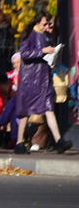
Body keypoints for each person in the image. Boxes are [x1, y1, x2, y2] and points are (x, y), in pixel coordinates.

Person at [17, 13, 72, 154]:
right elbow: (24, 54)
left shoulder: (47, 35)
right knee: (25, 111)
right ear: (37, 22)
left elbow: (48, 53)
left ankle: (59, 141)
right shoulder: (28, 34)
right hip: (29, 78)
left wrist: (55, 53)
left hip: (44, 77)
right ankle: (19, 142)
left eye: (49, 24)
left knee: (49, 109)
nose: (47, 27)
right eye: (44, 24)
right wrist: (42, 51)